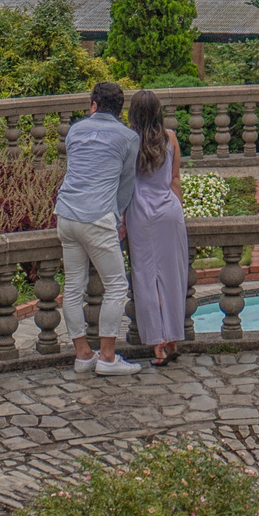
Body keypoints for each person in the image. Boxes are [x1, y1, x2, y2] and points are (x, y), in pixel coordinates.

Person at [54, 82, 144, 375]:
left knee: (73, 287)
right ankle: (106, 357)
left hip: (66, 214)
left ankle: (83, 354)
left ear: (93, 104)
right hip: (97, 216)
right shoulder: (129, 138)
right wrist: (118, 219)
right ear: (121, 109)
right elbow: (126, 183)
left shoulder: (76, 130)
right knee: (117, 285)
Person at [123, 89, 190, 365]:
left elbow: (124, 183)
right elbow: (175, 179)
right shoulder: (170, 137)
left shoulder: (129, 142)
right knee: (173, 276)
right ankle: (174, 336)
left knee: (145, 277)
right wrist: (181, 212)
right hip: (168, 211)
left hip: (139, 213)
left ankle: (157, 342)